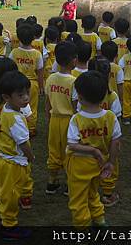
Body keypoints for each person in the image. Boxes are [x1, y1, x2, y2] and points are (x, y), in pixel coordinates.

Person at [66, 70, 121, 228]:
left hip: (79, 165)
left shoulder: (77, 119)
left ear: (80, 98)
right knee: (92, 193)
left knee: (78, 198)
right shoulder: (110, 117)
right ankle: (99, 219)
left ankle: (82, 227)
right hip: (100, 164)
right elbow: (116, 141)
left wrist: (92, 150)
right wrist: (110, 162)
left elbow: (72, 144)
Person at [0, 71, 34, 240]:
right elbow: (23, 142)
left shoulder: (7, 109)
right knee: (11, 193)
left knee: (5, 187)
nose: (26, 98)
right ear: (7, 97)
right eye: (20, 95)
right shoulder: (16, 118)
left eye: (27, 93)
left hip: (3, 156)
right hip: (12, 161)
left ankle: (0, 200)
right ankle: (8, 225)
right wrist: (30, 156)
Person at [87, 57, 122, 207]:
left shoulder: (84, 96)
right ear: (109, 76)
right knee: (109, 162)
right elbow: (116, 121)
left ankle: (89, 191)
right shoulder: (112, 96)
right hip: (107, 140)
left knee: (89, 162)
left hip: (88, 138)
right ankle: (107, 194)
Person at [45, 41, 78, 195]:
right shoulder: (73, 82)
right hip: (68, 121)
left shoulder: (50, 79)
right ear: (73, 60)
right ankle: (67, 183)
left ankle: (52, 181)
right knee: (68, 151)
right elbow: (75, 104)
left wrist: (48, 118)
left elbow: (47, 102)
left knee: (53, 150)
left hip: (54, 119)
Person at [9, 24, 44, 137]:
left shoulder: (14, 52)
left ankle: (18, 126)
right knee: (32, 107)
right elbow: (40, 72)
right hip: (32, 85)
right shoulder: (37, 54)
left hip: (16, 82)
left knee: (17, 105)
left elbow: (10, 68)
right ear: (33, 37)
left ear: (19, 38)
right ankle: (31, 128)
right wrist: (41, 86)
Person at [101, 41, 124, 106]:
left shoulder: (99, 66)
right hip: (114, 100)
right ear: (116, 55)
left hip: (100, 100)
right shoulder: (118, 69)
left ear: (102, 54)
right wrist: (121, 101)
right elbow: (120, 87)